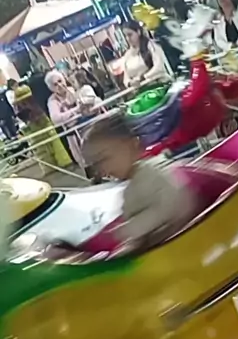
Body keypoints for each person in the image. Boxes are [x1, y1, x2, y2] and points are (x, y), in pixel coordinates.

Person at [82, 113, 200, 248]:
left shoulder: (156, 172)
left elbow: (176, 204)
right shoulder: (130, 189)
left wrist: (126, 230)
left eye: (104, 158)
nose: (101, 169)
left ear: (133, 144)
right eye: (95, 164)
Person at [13, 83, 71, 173]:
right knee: (54, 144)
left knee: (42, 149)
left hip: (34, 130)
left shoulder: (19, 108)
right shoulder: (35, 103)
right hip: (42, 125)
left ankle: (49, 167)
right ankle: (62, 161)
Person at [121, 20, 167, 88]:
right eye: (125, 36)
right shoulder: (127, 55)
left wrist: (143, 77)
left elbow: (159, 67)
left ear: (138, 32)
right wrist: (130, 83)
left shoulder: (151, 46)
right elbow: (126, 78)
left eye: (130, 35)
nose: (128, 38)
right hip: (140, 90)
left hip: (158, 85)